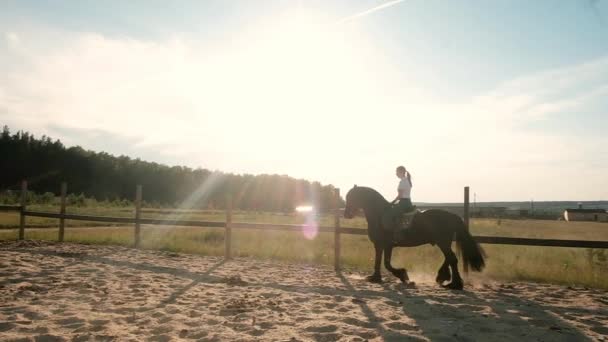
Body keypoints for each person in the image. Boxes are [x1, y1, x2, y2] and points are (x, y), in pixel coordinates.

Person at [382, 166, 416, 240]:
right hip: (407, 202)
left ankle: (394, 234)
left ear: (401, 172)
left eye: (397, 172)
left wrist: (392, 202)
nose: (396, 174)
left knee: (388, 214)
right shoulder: (407, 180)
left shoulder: (403, 182)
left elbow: (400, 196)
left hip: (403, 203)